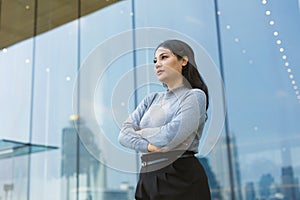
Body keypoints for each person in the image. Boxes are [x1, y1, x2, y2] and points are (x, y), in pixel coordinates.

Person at [118, 39, 211, 200]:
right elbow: (123, 136)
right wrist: (151, 147)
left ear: (183, 60)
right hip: (147, 176)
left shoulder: (194, 96)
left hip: (180, 175)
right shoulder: (151, 99)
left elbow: (170, 136)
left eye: (164, 57)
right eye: (155, 60)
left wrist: (140, 132)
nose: (157, 64)